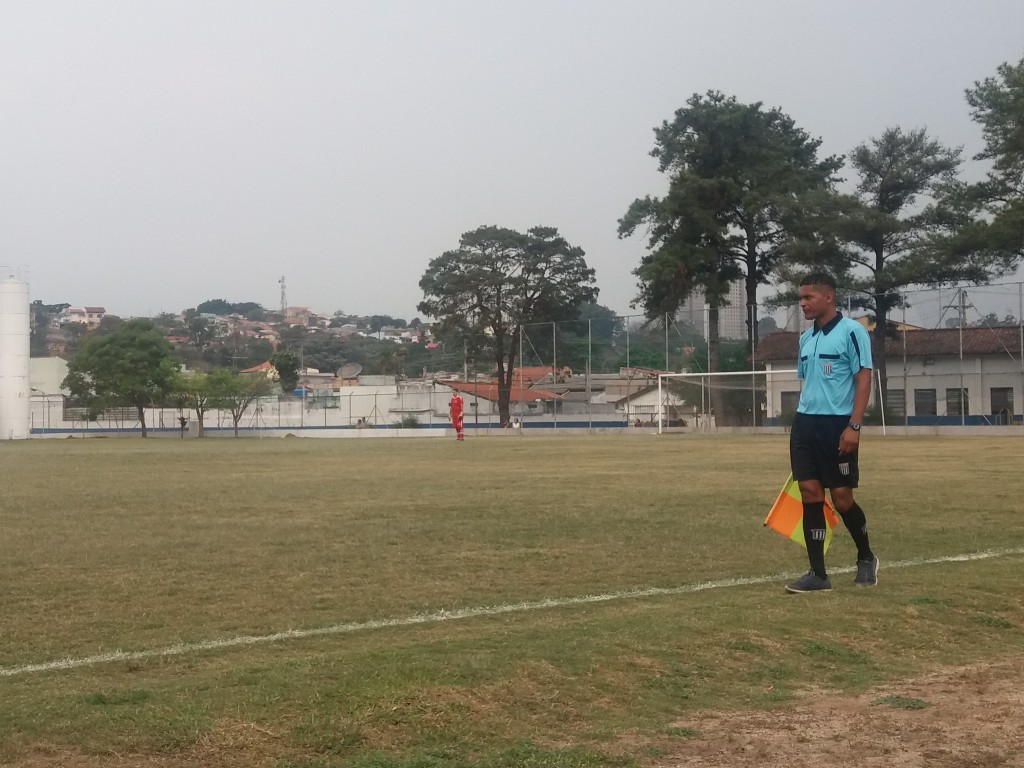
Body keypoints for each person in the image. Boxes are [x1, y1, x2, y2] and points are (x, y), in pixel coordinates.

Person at [785, 272, 878, 594]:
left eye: (808, 297)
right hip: (805, 424)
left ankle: (866, 557)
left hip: (837, 424)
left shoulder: (853, 332)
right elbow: (808, 381)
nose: (803, 304)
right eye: (801, 298)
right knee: (810, 493)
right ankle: (818, 574)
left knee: (841, 498)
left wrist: (854, 426)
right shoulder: (805, 339)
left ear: (828, 297)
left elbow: (863, 379)